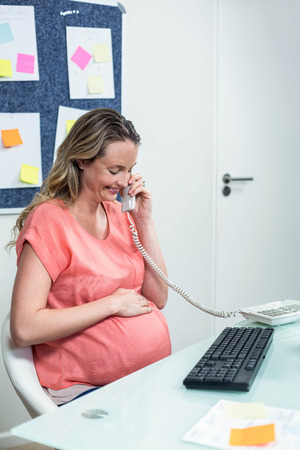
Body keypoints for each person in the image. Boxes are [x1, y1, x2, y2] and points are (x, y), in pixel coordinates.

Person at [8, 108, 171, 405]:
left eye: (129, 169)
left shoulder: (120, 215)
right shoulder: (49, 221)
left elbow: (158, 298)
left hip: (143, 379)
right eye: (114, 170)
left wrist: (144, 220)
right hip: (85, 388)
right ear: (83, 160)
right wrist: (112, 304)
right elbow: (24, 327)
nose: (124, 182)